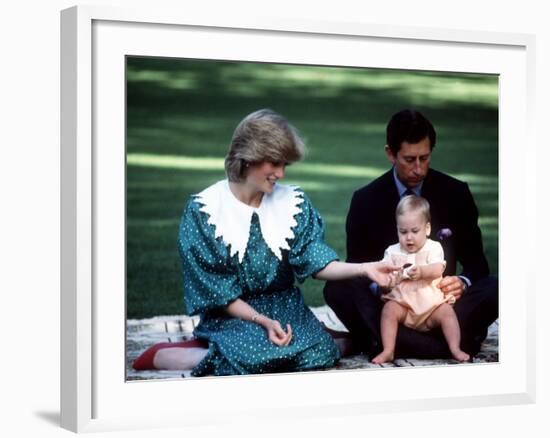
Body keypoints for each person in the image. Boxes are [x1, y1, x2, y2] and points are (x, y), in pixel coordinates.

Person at [133, 109, 396, 376]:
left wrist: (366, 268)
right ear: (249, 158)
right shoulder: (206, 211)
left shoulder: (292, 204)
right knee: (256, 357)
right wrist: (262, 321)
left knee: (321, 353)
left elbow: (315, 261)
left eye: (285, 165)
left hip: (285, 306)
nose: (281, 173)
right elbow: (218, 293)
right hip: (232, 313)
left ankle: (309, 337)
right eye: (274, 163)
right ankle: (191, 353)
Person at [323, 108, 498, 360]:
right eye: (409, 159)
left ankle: (381, 341)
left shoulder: (456, 193)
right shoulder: (365, 200)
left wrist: (462, 282)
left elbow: (477, 265)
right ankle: (448, 344)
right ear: (390, 154)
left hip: (441, 305)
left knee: (495, 288)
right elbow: (358, 267)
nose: (418, 168)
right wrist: (380, 287)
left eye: (424, 158)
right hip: (392, 306)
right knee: (337, 288)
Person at [371, 195, 469, 364]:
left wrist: (423, 271)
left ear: (427, 228)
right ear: (397, 229)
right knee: (389, 310)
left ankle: (455, 348)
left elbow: (438, 268)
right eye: (403, 232)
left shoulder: (433, 247)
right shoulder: (392, 251)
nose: (409, 237)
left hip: (431, 307)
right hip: (405, 306)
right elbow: (383, 273)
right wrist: (390, 280)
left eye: (415, 231)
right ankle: (388, 350)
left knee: (447, 312)